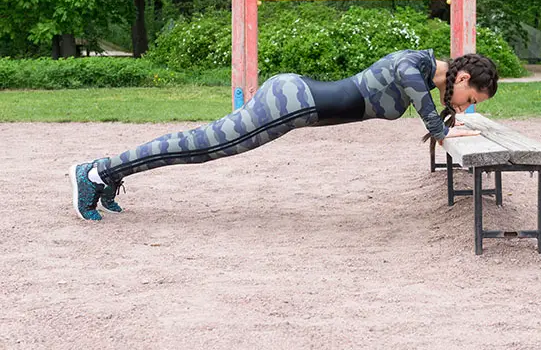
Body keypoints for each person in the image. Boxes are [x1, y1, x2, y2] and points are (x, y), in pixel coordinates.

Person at [69, 49, 499, 221]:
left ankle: (107, 174)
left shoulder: (423, 74)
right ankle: (96, 172)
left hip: (295, 100)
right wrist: (440, 128)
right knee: (204, 145)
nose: (465, 104)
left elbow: (424, 103)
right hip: (292, 102)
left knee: (205, 145)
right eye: (470, 96)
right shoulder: (416, 64)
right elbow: (416, 93)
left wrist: (445, 120)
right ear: (460, 76)